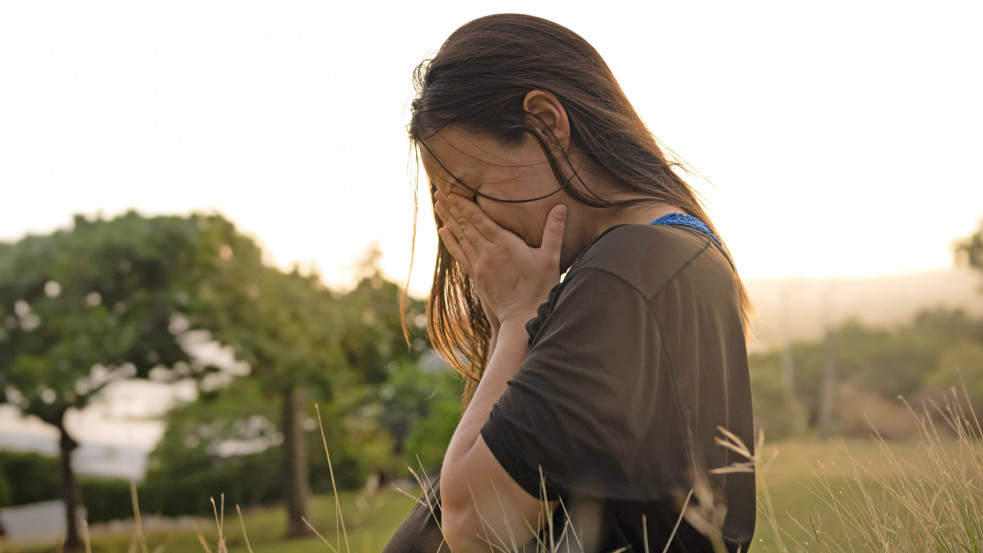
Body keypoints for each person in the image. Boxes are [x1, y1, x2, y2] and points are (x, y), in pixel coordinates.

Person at [384, 13, 755, 553]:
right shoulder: (672, 254)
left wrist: (515, 317)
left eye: (473, 190)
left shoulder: (628, 273)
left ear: (546, 122)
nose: (468, 228)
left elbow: (473, 526)